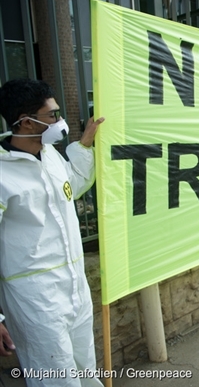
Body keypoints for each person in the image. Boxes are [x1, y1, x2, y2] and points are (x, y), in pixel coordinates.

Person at [0, 78, 105, 386]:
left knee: (85, 368)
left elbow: (71, 186)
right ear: (26, 123)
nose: (60, 121)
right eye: (53, 115)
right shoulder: (3, 173)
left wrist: (85, 145)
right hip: (35, 296)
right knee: (56, 377)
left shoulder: (50, 156)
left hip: (75, 286)